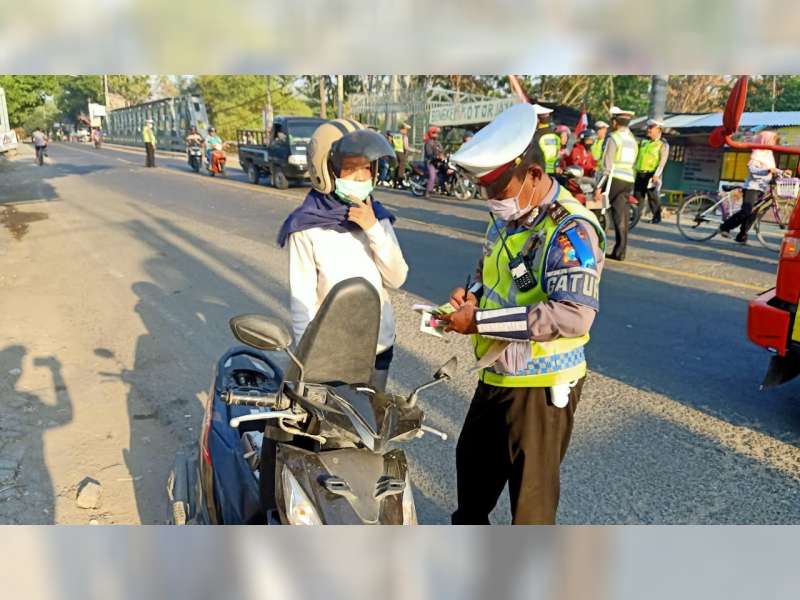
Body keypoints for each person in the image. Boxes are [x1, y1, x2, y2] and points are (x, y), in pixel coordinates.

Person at [441, 102, 606, 525]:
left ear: (533, 174)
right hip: (497, 374)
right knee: (472, 485)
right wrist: (472, 296)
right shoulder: (511, 215)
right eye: (484, 189)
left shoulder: (571, 229)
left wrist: (478, 323)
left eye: (496, 188)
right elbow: (488, 268)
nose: (490, 198)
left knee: (530, 508)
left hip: (542, 388)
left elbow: (572, 315)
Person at [278, 120, 408, 392]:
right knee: (330, 429)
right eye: (350, 168)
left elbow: (397, 278)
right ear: (326, 169)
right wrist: (306, 360)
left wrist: (372, 228)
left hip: (378, 346)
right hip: (332, 353)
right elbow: (302, 299)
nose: (361, 177)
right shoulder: (306, 228)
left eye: (366, 167)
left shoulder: (377, 217)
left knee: (370, 425)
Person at [719, 130, 787, 244]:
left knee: (753, 213)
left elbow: (772, 169)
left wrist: (783, 172)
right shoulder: (757, 154)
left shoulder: (769, 155)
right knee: (746, 211)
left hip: (762, 188)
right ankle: (724, 227)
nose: (774, 144)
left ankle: (742, 236)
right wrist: (766, 170)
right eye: (772, 141)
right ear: (764, 141)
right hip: (752, 187)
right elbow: (752, 169)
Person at [597, 106, 638, 261]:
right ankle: (620, 251)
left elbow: (607, 165)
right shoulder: (632, 140)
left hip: (613, 179)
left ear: (615, 122)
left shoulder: (614, 138)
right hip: (628, 180)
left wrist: (599, 186)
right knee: (621, 216)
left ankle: (595, 246)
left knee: (598, 210)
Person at [633, 119, 670, 224]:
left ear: (659, 130)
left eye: (651, 128)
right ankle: (635, 216)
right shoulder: (644, 141)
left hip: (652, 174)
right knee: (638, 195)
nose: (648, 130)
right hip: (640, 172)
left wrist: (656, 175)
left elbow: (662, 161)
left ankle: (657, 217)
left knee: (652, 197)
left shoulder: (662, 144)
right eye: (648, 128)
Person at [532, 104, 561, 175]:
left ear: (537, 120)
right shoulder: (555, 136)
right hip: (553, 173)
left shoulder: (536, 136)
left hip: (539, 174)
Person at [423, 125, 445, 198]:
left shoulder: (438, 143)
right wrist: (437, 156)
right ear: (430, 133)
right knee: (432, 176)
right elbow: (429, 154)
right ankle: (427, 192)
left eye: (437, 133)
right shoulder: (428, 143)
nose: (436, 134)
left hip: (438, 162)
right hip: (430, 162)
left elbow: (442, 151)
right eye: (434, 133)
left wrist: (443, 155)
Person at [392, 122, 411, 187]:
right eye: (406, 129)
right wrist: (416, 150)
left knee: (396, 167)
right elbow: (406, 147)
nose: (407, 131)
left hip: (394, 152)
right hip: (401, 152)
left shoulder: (395, 135)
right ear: (402, 129)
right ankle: (400, 181)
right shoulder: (404, 136)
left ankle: (395, 183)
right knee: (402, 167)